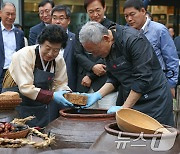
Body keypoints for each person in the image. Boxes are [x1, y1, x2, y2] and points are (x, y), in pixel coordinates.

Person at [79, 21, 174, 126]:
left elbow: (143, 79)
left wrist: (124, 108)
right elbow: (114, 78)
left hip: (155, 100)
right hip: (131, 100)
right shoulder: (107, 47)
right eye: (90, 53)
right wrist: (97, 95)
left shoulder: (134, 40)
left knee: (155, 137)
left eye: (95, 51)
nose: (95, 56)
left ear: (106, 38)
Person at [2, 24, 73, 127]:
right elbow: (25, 87)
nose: (50, 54)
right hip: (16, 106)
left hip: (39, 107)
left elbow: (60, 83)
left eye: (56, 50)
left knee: (40, 137)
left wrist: (66, 94)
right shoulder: (24, 55)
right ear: (40, 43)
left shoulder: (58, 60)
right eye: (48, 48)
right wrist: (53, 95)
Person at [123, 0, 179, 98]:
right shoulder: (126, 33)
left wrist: (170, 85)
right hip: (135, 86)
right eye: (126, 16)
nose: (129, 19)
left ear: (143, 11)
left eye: (132, 14)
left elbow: (171, 60)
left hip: (158, 85)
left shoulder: (159, 30)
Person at [74, 0, 118, 109]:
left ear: (104, 8)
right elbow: (78, 53)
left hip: (107, 81)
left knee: (106, 118)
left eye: (98, 10)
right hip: (84, 83)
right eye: (91, 11)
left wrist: (90, 75)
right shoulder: (81, 30)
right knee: (86, 119)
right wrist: (92, 67)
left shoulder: (113, 28)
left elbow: (111, 53)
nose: (95, 14)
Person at [0, 2, 25, 93]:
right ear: (0, 13)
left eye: (13, 14)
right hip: (1, 71)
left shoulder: (19, 33)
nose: (10, 17)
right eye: (8, 14)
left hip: (14, 73)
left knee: (13, 101)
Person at [51, 5, 77, 91]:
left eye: (61, 18)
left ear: (68, 20)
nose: (57, 21)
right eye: (54, 18)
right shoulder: (44, 38)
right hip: (49, 84)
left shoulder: (75, 39)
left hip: (69, 84)